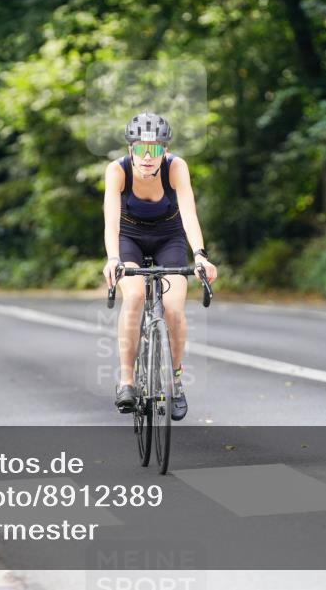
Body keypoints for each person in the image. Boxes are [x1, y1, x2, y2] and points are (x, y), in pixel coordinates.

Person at [102, 112, 217, 420]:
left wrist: (200, 255)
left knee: (174, 307)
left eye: (156, 149)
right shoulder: (117, 171)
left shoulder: (176, 168)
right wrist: (113, 259)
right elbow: (111, 223)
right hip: (130, 239)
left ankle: (175, 381)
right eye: (141, 149)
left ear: (165, 150)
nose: (148, 157)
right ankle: (127, 380)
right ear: (130, 150)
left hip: (170, 238)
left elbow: (189, 214)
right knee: (136, 296)